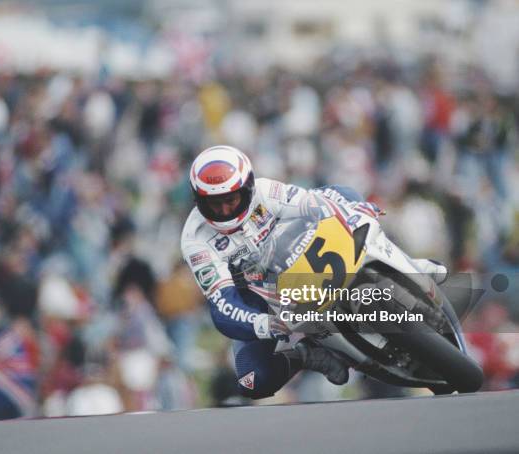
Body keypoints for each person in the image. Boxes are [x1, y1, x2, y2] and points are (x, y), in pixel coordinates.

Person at [181, 145, 447, 399]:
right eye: (215, 204)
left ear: (248, 188)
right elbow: (222, 302)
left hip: (307, 255)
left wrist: (352, 211)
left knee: (345, 195)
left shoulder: (265, 191)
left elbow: (311, 203)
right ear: (199, 201)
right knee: (252, 379)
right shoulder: (195, 239)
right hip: (261, 295)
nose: (225, 211)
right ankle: (308, 354)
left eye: (231, 200)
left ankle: (408, 266)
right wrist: (262, 324)